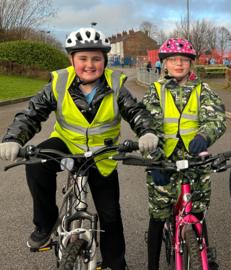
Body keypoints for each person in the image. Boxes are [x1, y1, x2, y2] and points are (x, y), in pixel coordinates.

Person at [0, 27, 159, 270]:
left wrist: (147, 132)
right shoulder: (59, 82)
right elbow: (31, 114)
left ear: (104, 61)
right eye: (83, 58)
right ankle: (46, 222)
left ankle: (116, 264)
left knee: (111, 217)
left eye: (96, 58)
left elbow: (136, 112)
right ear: (71, 59)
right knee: (36, 164)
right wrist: (13, 138)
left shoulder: (115, 84)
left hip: (102, 155)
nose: (89, 64)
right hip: (65, 146)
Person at [142, 37, 226, 270]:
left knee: (197, 211)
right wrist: (154, 161)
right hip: (164, 162)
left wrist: (205, 136)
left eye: (184, 60)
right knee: (159, 215)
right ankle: (152, 265)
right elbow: (147, 127)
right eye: (173, 60)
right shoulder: (155, 90)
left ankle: (204, 255)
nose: (179, 64)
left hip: (194, 162)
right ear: (164, 64)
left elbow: (217, 118)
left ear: (191, 63)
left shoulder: (203, 90)